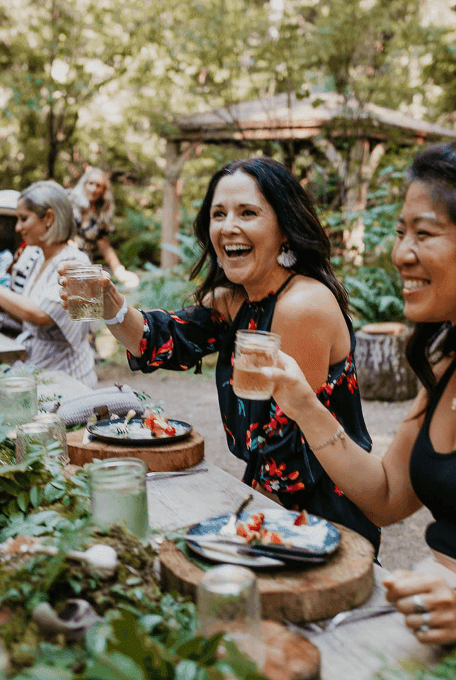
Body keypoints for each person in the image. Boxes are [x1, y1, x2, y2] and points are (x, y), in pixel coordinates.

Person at [60, 157, 380, 552]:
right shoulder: (234, 300)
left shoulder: (303, 306)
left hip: (318, 520)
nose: (229, 226)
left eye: (248, 212)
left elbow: (289, 452)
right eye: (219, 214)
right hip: (266, 500)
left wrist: (225, 537)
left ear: (284, 227)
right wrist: (110, 304)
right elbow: (159, 341)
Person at [256, 142, 456, 645]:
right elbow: (385, 497)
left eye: (424, 233)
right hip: (423, 624)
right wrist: (304, 405)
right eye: (401, 233)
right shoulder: (448, 361)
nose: (401, 253)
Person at [0, 181, 97, 388]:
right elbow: (23, 310)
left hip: (68, 379)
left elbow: (40, 315)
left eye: (23, 219)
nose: (18, 228)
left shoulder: (78, 263)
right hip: (38, 370)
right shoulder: (37, 258)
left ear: (49, 217)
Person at [68, 167, 140, 290]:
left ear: (103, 190)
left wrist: (119, 271)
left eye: (98, 185)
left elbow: (104, 246)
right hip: (60, 258)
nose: (94, 189)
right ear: (84, 184)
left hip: (82, 266)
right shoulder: (69, 201)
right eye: (91, 183)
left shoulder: (100, 214)